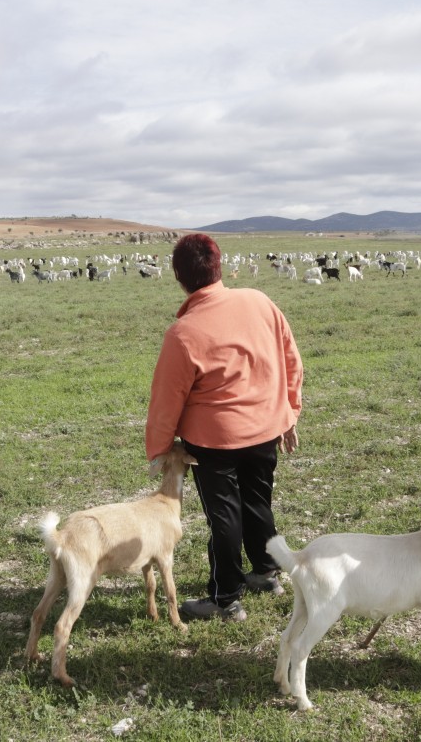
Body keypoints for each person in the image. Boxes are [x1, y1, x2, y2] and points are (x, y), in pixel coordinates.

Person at [146, 233, 303, 622]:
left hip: (214, 441)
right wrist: (289, 412)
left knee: (225, 517)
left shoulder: (183, 333)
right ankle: (267, 573)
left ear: (179, 278)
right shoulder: (260, 302)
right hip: (265, 427)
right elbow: (291, 359)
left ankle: (225, 598)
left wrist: (160, 448)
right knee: (257, 502)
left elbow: (167, 399)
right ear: (219, 266)